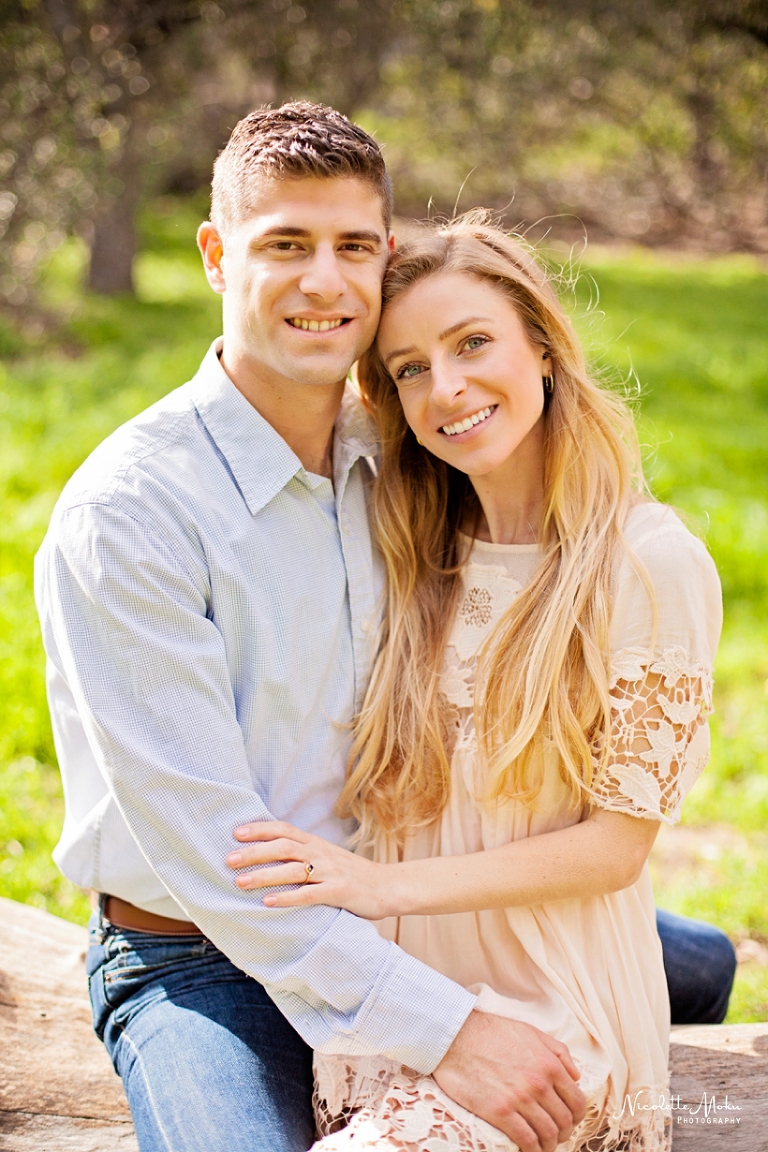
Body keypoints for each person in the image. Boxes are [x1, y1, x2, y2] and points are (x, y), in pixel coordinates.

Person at [34, 102, 732, 1152]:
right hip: (204, 949)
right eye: (284, 246)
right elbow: (224, 867)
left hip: (400, 893)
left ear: (384, 257)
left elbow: (564, 538)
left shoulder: (407, 459)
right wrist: (451, 1030)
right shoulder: (130, 517)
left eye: (352, 246)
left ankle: (697, 962)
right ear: (217, 256)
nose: (324, 281)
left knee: (666, 956)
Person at [223, 217, 723, 1151]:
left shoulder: (648, 563)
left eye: (474, 343)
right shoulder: (412, 553)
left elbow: (616, 849)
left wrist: (375, 887)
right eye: (410, 368)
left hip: (552, 1020)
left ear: (542, 346)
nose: (446, 387)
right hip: (395, 1013)